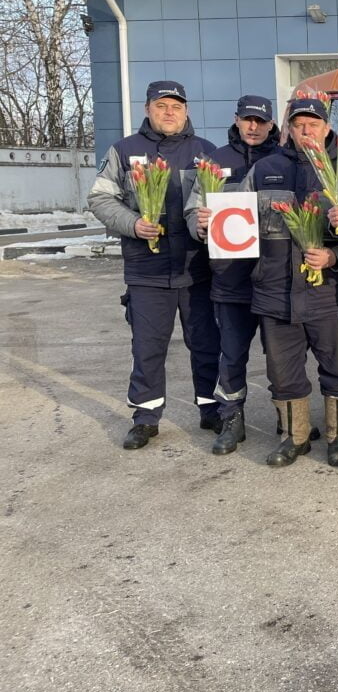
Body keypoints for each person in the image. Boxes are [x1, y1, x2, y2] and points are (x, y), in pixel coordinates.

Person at [88, 81, 220, 450]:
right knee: (148, 347)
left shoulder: (205, 153)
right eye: (161, 106)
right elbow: (100, 199)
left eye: (176, 107)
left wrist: (205, 228)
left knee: (206, 342)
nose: (169, 112)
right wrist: (133, 224)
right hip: (146, 271)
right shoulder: (124, 151)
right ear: (148, 109)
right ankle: (146, 417)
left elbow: (215, 205)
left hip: (197, 270)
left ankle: (210, 407)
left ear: (186, 111)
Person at [241, 97, 338, 468]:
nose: (306, 130)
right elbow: (239, 227)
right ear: (289, 128)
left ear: (326, 129)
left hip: (329, 294)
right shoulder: (264, 169)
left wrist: (334, 257)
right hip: (275, 292)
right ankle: (296, 437)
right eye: (299, 124)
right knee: (283, 372)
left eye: (313, 124)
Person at [187, 94, 280, 455]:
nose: (253, 127)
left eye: (261, 121)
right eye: (247, 120)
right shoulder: (215, 161)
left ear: (271, 124)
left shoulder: (282, 161)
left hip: (273, 276)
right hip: (229, 276)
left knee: (279, 355)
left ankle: (285, 417)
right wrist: (200, 222)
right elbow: (193, 209)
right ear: (237, 120)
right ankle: (231, 419)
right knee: (233, 353)